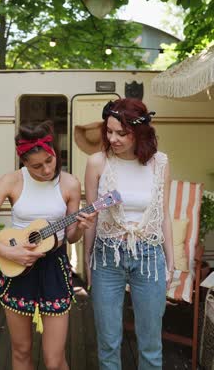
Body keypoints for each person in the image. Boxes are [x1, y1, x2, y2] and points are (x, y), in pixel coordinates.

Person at [0, 121, 96, 370]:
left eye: (50, 160)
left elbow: (70, 238)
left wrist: (81, 226)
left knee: (54, 359)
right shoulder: (11, 181)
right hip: (16, 267)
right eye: (37, 166)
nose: (47, 169)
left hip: (54, 269)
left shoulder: (70, 183)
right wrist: (9, 252)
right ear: (23, 162)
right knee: (21, 351)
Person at [84, 98, 174, 370]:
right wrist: (87, 260)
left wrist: (170, 262)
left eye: (121, 133)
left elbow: (163, 214)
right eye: (109, 131)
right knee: (109, 342)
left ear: (140, 133)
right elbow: (91, 216)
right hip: (106, 258)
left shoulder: (160, 163)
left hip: (149, 256)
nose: (113, 138)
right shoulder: (97, 162)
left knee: (150, 344)